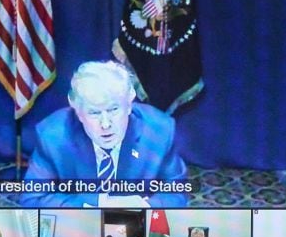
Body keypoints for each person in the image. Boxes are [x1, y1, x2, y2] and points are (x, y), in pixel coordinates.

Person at [20, 60, 189, 208]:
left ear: (129, 104)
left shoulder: (159, 131)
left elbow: (177, 192)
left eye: (114, 109)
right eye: (94, 113)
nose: (106, 124)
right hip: (80, 229)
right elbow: (32, 198)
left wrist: (144, 206)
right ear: (78, 111)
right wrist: (98, 204)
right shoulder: (53, 135)